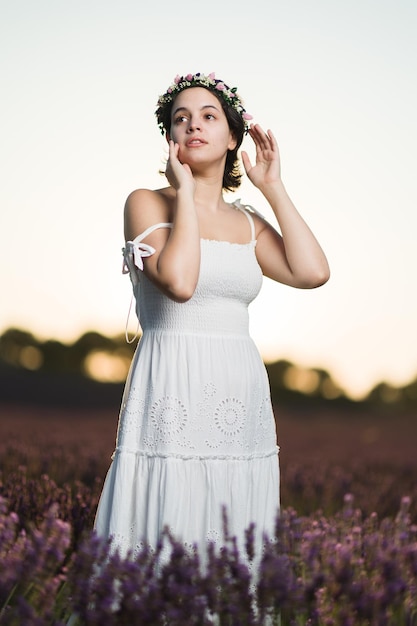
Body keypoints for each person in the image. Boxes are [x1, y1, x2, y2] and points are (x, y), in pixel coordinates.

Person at [94, 72, 330, 569]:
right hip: (171, 382)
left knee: (231, 525)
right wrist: (185, 193)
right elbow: (179, 282)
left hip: (237, 391)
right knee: (165, 518)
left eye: (208, 116)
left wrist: (273, 187)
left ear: (232, 138)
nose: (193, 125)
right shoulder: (146, 202)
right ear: (170, 138)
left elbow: (313, 272)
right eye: (180, 119)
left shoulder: (247, 221)